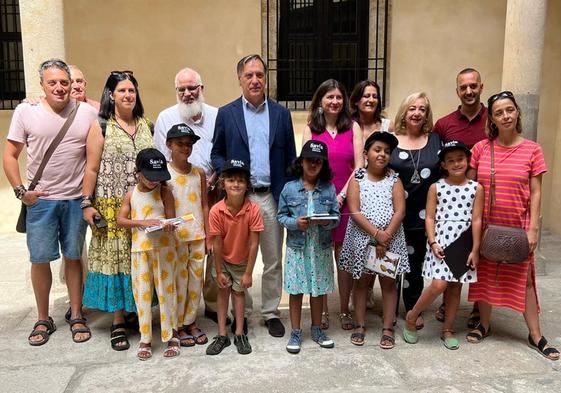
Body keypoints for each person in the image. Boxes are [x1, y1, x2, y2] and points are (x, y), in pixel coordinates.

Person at [3, 58, 97, 345]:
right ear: (42, 85)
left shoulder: (87, 113)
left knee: (73, 257)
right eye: (52, 82)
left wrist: (86, 198)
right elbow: (10, 155)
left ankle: (77, 314)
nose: (59, 88)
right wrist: (21, 191)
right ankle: (43, 317)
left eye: (64, 82)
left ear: (72, 84)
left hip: (73, 200)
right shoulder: (25, 111)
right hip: (40, 201)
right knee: (40, 259)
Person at [466, 91, 559, 361]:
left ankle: (536, 334)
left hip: (518, 226)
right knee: (484, 277)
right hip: (486, 226)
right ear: (492, 119)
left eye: (509, 110)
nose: (505, 116)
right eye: (499, 112)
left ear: (517, 112)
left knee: (525, 281)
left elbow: (537, 192)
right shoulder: (482, 149)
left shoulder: (533, 149)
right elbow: (470, 188)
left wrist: (534, 229)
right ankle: (484, 324)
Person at [211, 54, 296, 337]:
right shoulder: (227, 113)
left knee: (272, 259)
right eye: (249, 75)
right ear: (240, 79)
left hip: (271, 196)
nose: (255, 80)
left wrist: (288, 195)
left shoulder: (281, 114)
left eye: (260, 74)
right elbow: (217, 152)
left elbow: (290, 158)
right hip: (240, 199)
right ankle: (242, 313)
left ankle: (271, 311)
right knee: (237, 260)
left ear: (265, 77)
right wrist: (230, 178)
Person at [81, 70, 154, 351]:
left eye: (131, 90)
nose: (127, 95)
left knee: (139, 258)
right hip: (111, 208)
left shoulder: (147, 123)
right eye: (122, 91)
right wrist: (87, 203)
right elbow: (91, 168)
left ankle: (137, 310)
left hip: (143, 206)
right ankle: (117, 321)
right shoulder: (101, 126)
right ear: (111, 95)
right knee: (117, 261)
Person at [154, 67, 222, 323]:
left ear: (201, 89)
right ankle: (180, 315)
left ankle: (213, 305)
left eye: (192, 88)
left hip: (214, 190)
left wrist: (212, 179)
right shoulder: (165, 117)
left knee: (212, 251)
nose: (187, 93)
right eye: (181, 89)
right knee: (180, 259)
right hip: (177, 194)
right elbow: (161, 157)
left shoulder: (217, 115)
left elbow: (221, 149)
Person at [403, 141, 484, 349]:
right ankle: (412, 316)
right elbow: (429, 217)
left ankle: (448, 329)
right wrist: (432, 241)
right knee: (439, 284)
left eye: (460, 159)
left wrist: (475, 249)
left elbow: (477, 220)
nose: (456, 163)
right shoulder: (436, 187)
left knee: (456, 287)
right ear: (444, 165)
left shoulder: (476, 188)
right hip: (441, 242)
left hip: (464, 242)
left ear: (468, 161)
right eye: (451, 160)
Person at [302, 79, 363, 331]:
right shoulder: (310, 129)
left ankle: (345, 309)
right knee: (321, 257)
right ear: (320, 101)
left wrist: (341, 195)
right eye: (329, 97)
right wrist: (327, 197)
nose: (334, 101)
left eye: (339, 97)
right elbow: (306, 165)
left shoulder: (354, 127)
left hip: (347, 202)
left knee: (343, 259)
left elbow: (359, 166)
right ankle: (323, 309)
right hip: (319, 201)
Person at [339, 132, 409, 348]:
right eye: (377, 150)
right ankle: (360, 324)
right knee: (360, 283)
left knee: (388, 284)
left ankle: (388, 327)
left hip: (390, 240)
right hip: (362, 239)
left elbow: (400, 211)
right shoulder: (357, 179)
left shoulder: (394, 180)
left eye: (387, 152)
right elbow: (354, 210)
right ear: (366, 153)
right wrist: (375, 234)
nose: (382, 154)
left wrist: (386, 235)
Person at [432, 68, 487, 329]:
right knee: (453, 251)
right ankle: (447, 302)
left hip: (484, 196)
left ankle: (478, 306)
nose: (469, 91)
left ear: (481, 87)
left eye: (473, 86)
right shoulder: (444, 124)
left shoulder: (493, 120)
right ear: (457, 91)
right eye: (463, 87)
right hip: (453, 201)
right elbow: (435, 162)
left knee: (479, 253)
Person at [277, 140, 340, 354]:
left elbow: (337, 217)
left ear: (324, 165)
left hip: (320, 248)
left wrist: (327, 221)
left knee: (318, 290)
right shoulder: (289, 188)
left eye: (318, 162)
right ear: (301, 162)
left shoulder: (329, 188)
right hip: (297, 249)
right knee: (296, 291)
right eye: (309, 160)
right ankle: (295, 331)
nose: (313, 165)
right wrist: (296, 223)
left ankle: (316, 329)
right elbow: (281, 217)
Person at [116, 148, 179, 360]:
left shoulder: (164, 191)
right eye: (150, 177)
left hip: (164, 251)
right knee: (142, 294)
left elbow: (172, 218)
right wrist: (143, 223)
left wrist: (169, 225)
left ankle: (171, 334)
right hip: (140, 251)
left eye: (158, 178)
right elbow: (121, 220)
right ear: (138, 172)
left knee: (166, 292)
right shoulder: (131, 194)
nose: (154, 182)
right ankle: (145, 338)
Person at [389, 92, 442, 330]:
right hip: (393, 214)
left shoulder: (435, 141)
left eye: (422, 109)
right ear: (404, 112)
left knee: (415, 264)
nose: (417, 113)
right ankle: (389, 309)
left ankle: (412, 307)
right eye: (412, 108)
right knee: (391, 263)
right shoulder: (391, 140)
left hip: (424, 214)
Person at [206, 159, 264, 355]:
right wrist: (220, 271)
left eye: (240, 180)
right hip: (222, 260)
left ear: (247, 184)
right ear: (223, 184)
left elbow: (254, 243)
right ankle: (222, 334)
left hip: (242, 260)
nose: (236, 184)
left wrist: (248, 273)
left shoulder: (253, 209)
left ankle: (239, 333)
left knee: (239, 294)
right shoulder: (216, 210)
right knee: (222, 293)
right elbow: (217, 242)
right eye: (231, 180)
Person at [349, 80, 393, 310]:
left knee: (378, 241)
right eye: (365, 95)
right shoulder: (349, 124)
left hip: (380, 189)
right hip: (355, 189)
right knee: (359, 241)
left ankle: (369, 289)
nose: (370, 100)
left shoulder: (386, 125)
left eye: (374, 96)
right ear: (356, 100)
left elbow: (392, 155)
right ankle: (360, 289)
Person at [165, 123, 209, 346]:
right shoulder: (165, 173)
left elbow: (204, 205)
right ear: (169, 145)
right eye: (180, 144)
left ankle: (191, 320)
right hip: (176, 238)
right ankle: (178, 324)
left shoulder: (199, 172)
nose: (185, 148)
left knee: (195, 281)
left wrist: (208, 234)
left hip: (197, 235)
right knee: (178, 282)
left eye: (189, 144)